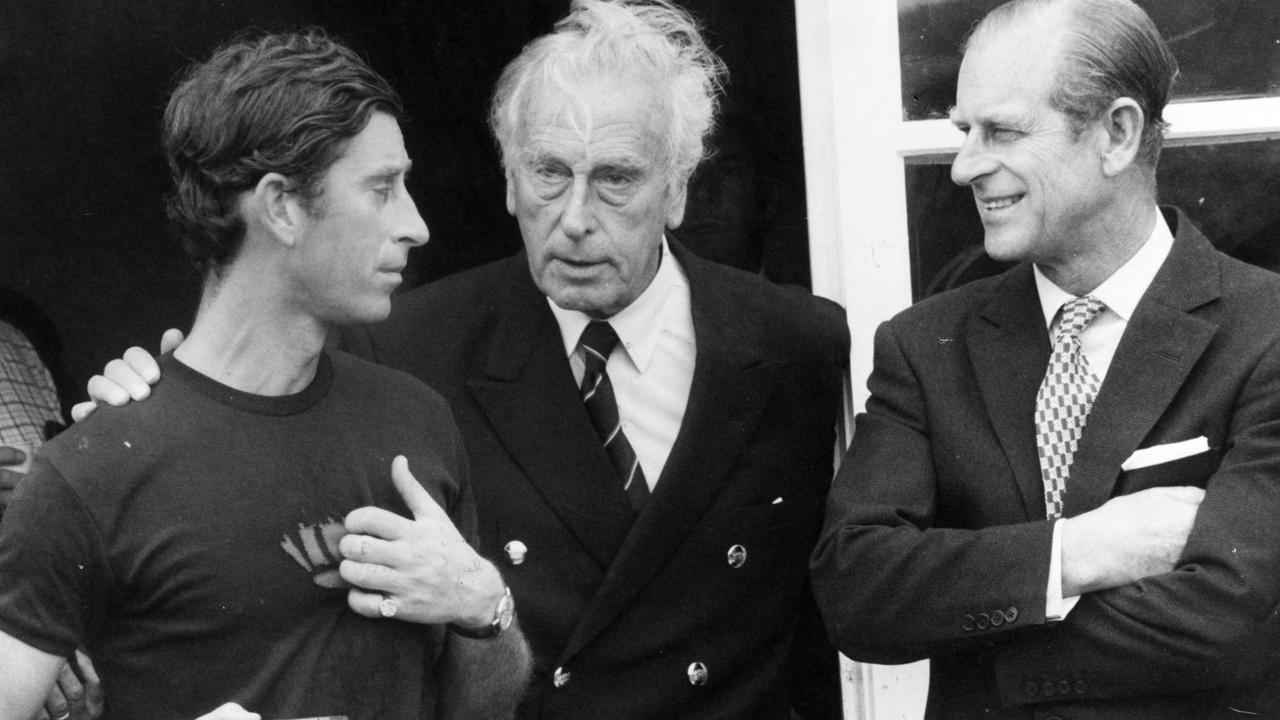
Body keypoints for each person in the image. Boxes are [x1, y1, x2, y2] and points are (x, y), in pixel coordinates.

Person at [76, 2, 850, 718]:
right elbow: (248, 482)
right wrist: (149, 418)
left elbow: (818, 631)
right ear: (509, 180)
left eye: (616, 179)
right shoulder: (408, 346)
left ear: (678, 190)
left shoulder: (793, 346)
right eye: (548, 173)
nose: (575, 220)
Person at [0, 30, 530, 720]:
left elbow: (484, 712)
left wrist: (483, 607)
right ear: (280, 206)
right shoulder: (92, 472)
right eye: (382, 189)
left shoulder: (415, 420)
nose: (417, 225)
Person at [810, 0, 1280, 717]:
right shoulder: (926, 344)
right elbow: (856, 589)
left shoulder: (1266, 329)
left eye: (1000, 131)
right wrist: (1080, 551)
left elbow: (1235, 618)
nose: (965, 166)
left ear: (1117, 134)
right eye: (964, 131)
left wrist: (979, 635)